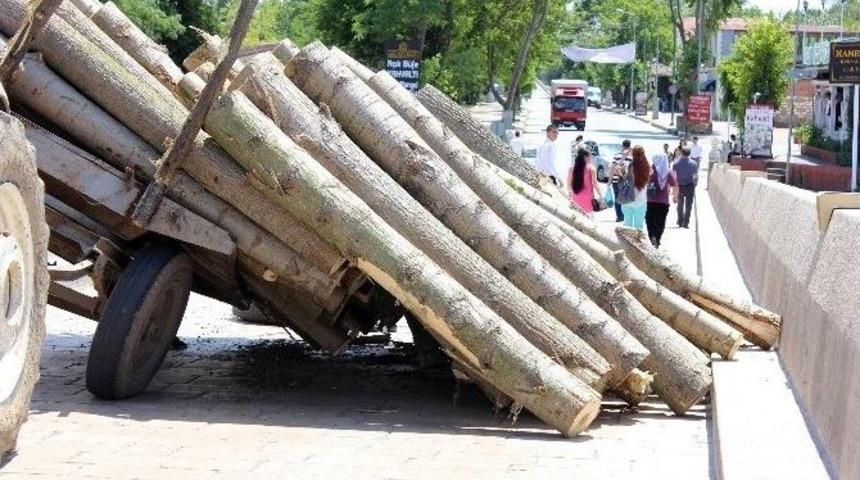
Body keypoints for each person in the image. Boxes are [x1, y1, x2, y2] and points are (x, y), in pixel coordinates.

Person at [646, 152, 677, 248]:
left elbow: (644, 182)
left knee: (649, 220)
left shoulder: (651, 170)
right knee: (661, 221)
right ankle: (657, 238)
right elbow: (675, 185)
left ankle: (652, 237)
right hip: (663, 202)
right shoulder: (668, 172)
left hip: (650, 201)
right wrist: (675, 197)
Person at [621, 145, 650, 230]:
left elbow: (618, 168)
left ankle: (626, 243)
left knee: (627, 225)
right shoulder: (647, 167)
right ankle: (638, 242)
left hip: (628, 199)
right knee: (639, 226)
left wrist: (624, 157)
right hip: (641, 199)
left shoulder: (629, 166)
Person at [568, 148, 601, 217]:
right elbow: (595, 184)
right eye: (590, 156)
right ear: (585, 157)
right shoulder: (591, 168)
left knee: (576, 219)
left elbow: (569, 185)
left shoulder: (572, 168)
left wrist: (571, 196)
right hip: (588, 199)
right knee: (588, 220)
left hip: (575, 198)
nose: (591, 158)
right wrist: (600, 196)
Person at [672, 146, 698, 228]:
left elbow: (673, 177)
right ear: (689, 153)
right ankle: (686, 223)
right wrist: (695, 185)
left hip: (679, 186)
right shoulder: (694, 164)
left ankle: (680, 221)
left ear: (681, 153)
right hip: (690, 185)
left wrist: (674, 190)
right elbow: (695, 176)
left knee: (680, 204)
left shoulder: (676, 164)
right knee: (689, 205)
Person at [610, 139, 632, 222]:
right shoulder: (631, 157)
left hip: (616, 180)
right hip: (626, 181)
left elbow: (612, 169)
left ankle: (619, 216)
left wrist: (609, 181)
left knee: (617, 198)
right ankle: (625, 215)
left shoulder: (616, 155)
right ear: (629, 146)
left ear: (622, 146)